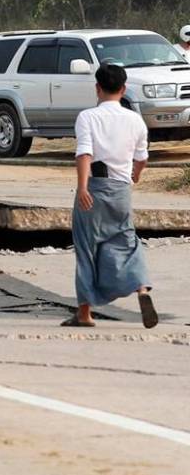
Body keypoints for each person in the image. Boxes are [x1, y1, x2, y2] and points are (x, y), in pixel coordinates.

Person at [67, 63, 158, 328]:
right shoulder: (135, 120)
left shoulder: (88, 117)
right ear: (124, 89)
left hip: (95, 187)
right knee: (127, 240)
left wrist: (82, 187)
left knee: (87, 248)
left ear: (97, 88)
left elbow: (85, 153)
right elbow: (142, 157)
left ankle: (85, 314)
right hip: (121, 191)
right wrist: (135, 175)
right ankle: (141, 288)